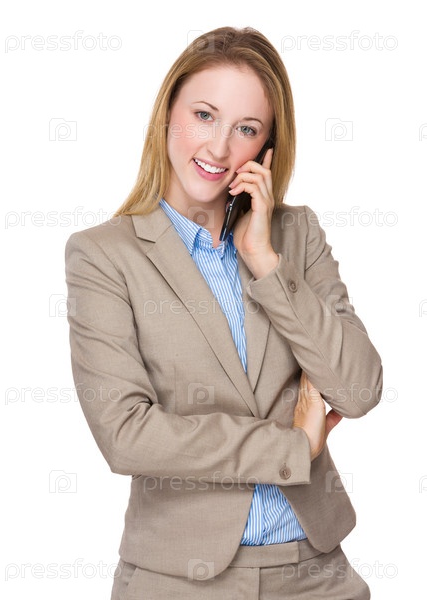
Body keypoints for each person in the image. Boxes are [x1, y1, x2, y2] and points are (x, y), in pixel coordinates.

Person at [65, 26, 382, 599]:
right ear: (168, 113)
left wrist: (266, 263)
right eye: (204, 115)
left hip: (317, 572)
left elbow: (358, 390)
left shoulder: (296, 234)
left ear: (267, 146)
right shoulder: (103, 255)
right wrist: (292, 447)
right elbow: (126, 434)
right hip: (178, 579)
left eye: (246, 128)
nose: (217, 148)